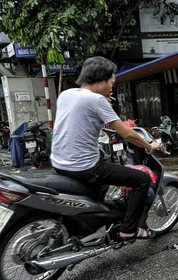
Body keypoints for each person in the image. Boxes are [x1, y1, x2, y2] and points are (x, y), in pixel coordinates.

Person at [50, 56, 161, 240]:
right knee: (141, 179)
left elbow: (83, 119)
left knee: (104, 178)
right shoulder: (96, 101)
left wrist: (104, 103)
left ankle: (93, 226)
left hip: (59, 163)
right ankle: (128, 230)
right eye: (111, 82)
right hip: (84, 167)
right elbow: (127, 133)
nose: (112, 87)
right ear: (101, 79)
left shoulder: (65, 94)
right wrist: (150, 146)